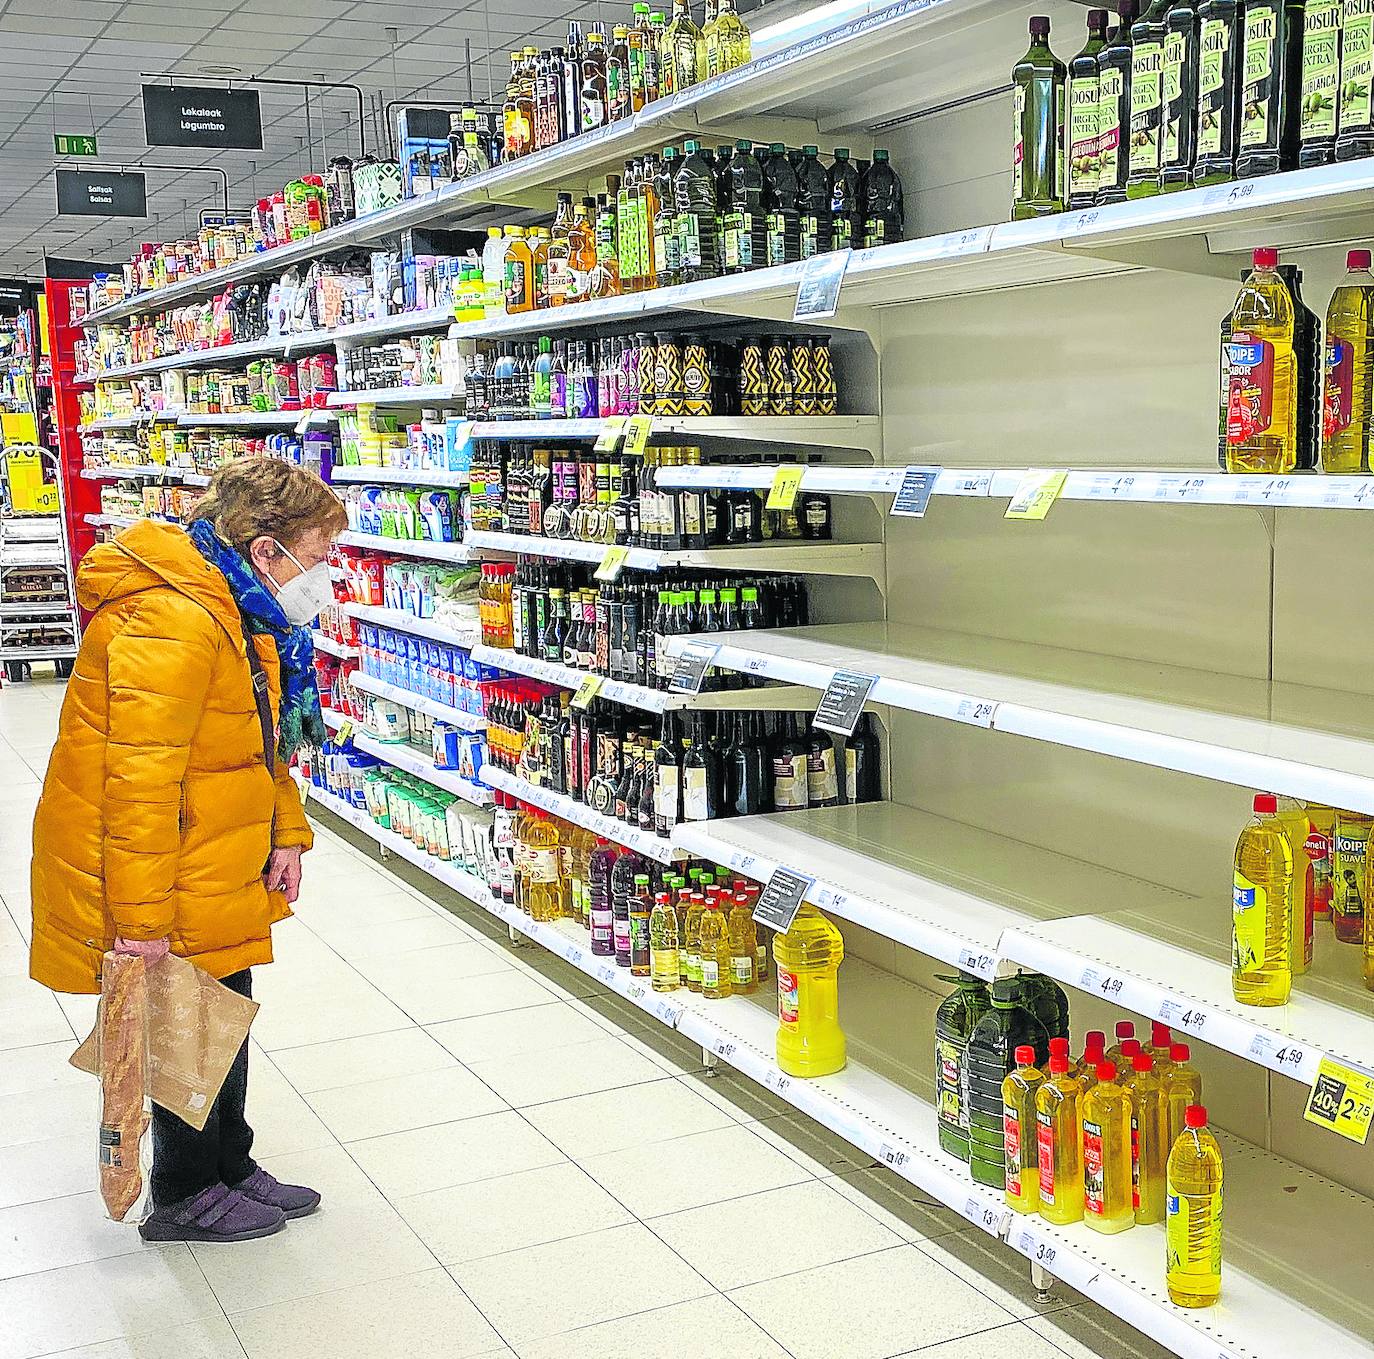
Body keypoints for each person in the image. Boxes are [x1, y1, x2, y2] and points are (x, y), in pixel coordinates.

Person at [29, 457, 347, 1244]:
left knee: (221, 1008)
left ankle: (228, 1164)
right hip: (165, 864)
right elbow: (134, 783)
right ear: (267, 549)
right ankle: (182, 1190)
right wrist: (138, 919)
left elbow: (260, 739)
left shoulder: (236, 607)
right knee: (185, 1018)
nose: (328, 574)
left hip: (212, 850)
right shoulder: (174, 618)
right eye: (319, 554)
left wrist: (287, 831)